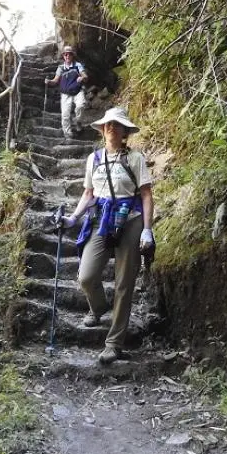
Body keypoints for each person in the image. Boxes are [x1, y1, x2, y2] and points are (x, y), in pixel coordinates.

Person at [58, 107, 154, 364]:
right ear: (102, 129)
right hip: (100, 217)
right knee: (86, 276)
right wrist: (73, 218)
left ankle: (114, 343)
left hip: (130, 219)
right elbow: (88, 194)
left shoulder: (135, 159)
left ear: (125, 132)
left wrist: (147, 229)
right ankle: (98, 307)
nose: (111, 128)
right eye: (107, 124)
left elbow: (145, 194)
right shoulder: (94, 159)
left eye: (117, 125)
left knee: (124, 283)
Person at [44, 45, 88, 139]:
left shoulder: (77, 65)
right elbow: (55, 81)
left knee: (81, 105)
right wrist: (49, 82)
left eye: (69, 54)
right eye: (65, 54)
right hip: (65, 93)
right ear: (63, 56)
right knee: (65, 115)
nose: (67, 56)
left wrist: (82, 77)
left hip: (77, 91)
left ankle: (78, 122)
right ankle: (68, 135)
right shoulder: (60, 68)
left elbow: (85, 75)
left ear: (72, 55)